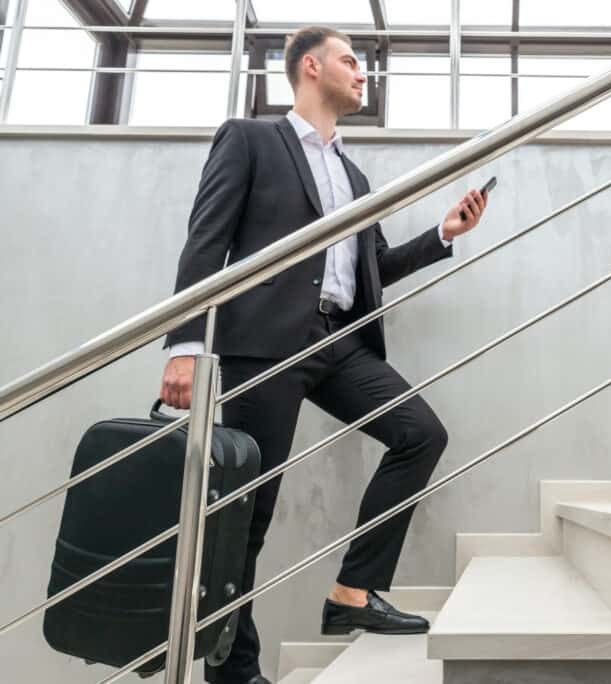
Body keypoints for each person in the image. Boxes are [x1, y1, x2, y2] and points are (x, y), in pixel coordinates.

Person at [159, 25, 488, 684]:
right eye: (349, 61)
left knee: (420, 433)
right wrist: (187, 344)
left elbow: (373, 268)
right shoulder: (250, 140)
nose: (361, 73)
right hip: (265, 345)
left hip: (339, 342)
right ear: (310, 67)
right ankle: (234, 673)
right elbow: (207, 242)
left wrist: (442, 236)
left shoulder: (354, 174)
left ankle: (352, 596)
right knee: (246, 515)